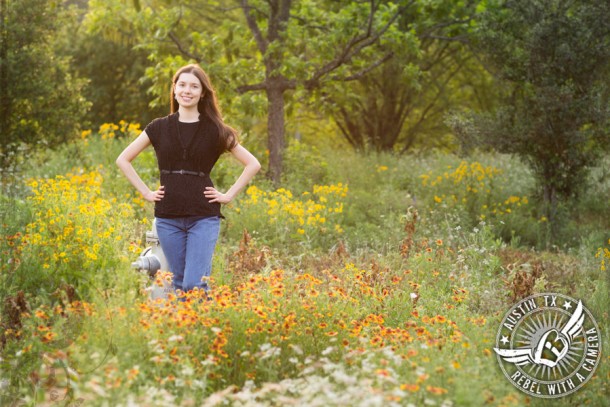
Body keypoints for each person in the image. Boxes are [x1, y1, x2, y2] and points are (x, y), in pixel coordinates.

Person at [116, 63, 261, 299]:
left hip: (203, 217)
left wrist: (228, 195)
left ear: (203, 93)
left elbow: (253, 163)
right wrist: (146, 193)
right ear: (174, 89)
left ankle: (202, 331)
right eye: (182, 85)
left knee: (195, 284)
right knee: (179, 282)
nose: (187, 90)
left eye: (194, 86)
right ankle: (187, 334)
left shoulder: (216, 130)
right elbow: (123, 159)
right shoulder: (158, 127)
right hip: (168, 217)